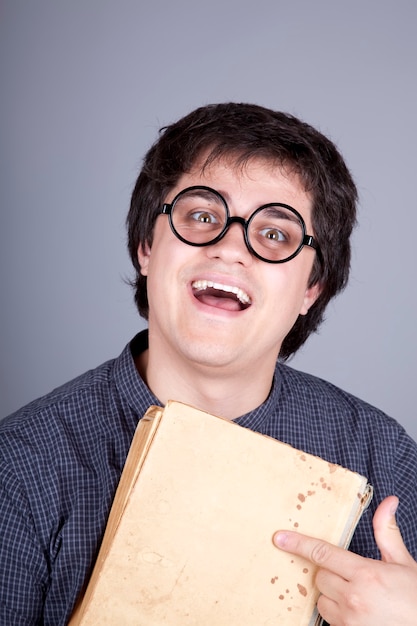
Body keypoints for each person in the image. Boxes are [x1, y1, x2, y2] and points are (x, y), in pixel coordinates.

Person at [1, 102, 416, 625]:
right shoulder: (18, 468)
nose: (229, 248)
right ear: (146, 246)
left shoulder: (383, 454)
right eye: (201, 217)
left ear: (312, 288)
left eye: (274, 234)